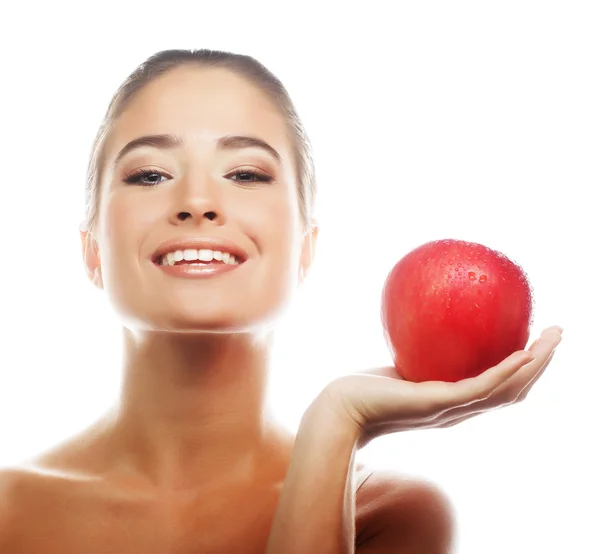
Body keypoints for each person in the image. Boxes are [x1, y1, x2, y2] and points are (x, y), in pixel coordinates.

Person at [0, 49, 562, 553]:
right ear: (92, 248)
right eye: (149, 174)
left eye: (245, 173)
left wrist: (336, 422)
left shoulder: (392, 513)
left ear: (305, 248)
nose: (197, 201)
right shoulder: (8, 511)